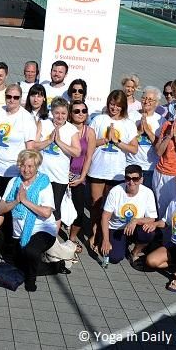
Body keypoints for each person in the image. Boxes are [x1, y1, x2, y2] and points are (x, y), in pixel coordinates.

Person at [0, 150, 56, 291]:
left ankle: (30, 281)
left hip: (43, 229)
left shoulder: (44, 184)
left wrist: (25, 201)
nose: (26, 170)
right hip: (19, 233)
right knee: (18, 262)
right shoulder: (14, 182)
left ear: (37, 167)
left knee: (31, 252)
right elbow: (1, 208)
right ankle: (55, 267)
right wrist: (16, 201)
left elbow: (46, 213)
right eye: (23, 165)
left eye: (30, 166)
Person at [87, 90, 138, 249]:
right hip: (97, 169)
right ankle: (94, 233)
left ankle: (106, 235)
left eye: (117, 105)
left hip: (117, 172)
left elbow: (134, 149)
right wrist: (104, 140)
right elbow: (89, 143)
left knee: (110, 207)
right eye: (111, 104)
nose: (114, 108)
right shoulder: (99, 119)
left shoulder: (128, 124)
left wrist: (117, 142)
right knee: (95, 204)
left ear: (123, 107)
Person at [31, 97, 80, 232]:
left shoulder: (72, 129)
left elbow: (77, 152)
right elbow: (33, 145)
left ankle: (52, 237)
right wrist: (48, 141)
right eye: (57, 113)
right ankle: (36, 232)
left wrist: (59, 142)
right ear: (51, 112)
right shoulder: (43, 123)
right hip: (41, 174)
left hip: (59, 177)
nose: (60, 116)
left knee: (55, 208)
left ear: (68, 114)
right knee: (38, 204)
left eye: (63, 113)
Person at [100, 165, 157, 266]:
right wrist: (106, 240)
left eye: (135, 179)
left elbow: (152, 218)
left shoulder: (148, 193)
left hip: (135, 227)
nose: (131, 182)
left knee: (148, 232)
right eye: (128, 178)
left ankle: (135, 252)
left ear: (141, 180)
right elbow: (105, 216)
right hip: (117, 228)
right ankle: (118, 242)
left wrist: (135, 221)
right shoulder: (115, 191)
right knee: (114, 258)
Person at [0, 84, 37, 190]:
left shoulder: (27, 118)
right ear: (5, 96)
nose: (12, 100)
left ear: (20, 98)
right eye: (9, 96)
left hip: (13, 172)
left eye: (16, 97)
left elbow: (30, 150)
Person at [67, 100, 95, 250]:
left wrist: (82, 177)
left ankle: (72, 238)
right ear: (70, 113)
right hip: (62, 174)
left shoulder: (89, 132)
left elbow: (89, 157)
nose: (80, 114)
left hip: (79, 175)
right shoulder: (65, 128)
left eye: (84, 111)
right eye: (76, 111)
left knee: (78, 211)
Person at [126, 86, 164, 190]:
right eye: (144, 98)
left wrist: (147, 130)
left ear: (157, 103)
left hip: (150, 167)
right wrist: (138, 131)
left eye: (150, 99)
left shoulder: (161, 121)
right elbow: (125, 141)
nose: (146, 101)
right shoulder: (130, 116)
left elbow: (160, 147)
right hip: (131, 164)